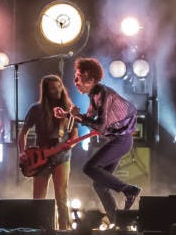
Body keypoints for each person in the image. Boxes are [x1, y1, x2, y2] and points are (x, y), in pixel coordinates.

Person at [55, 58, 141, 224]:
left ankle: (129, 190)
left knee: (90, 168)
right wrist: (67, 115)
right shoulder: (94, 95)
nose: (75, 81)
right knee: (99, 185)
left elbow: (99, 127)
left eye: (78, 77)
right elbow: (88, 118)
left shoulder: (103, 94)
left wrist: (77, 116)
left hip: (121, 141)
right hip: (118, 140)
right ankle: (118, 222)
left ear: (90, 80)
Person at [17, 75, 74, 230]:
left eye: (59, 86)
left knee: (61, 197)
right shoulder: (36, 109)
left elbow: (74, 134)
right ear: (46, 91)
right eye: (53, 88)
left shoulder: (69, 109)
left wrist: (69, 145)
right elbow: (23, 133)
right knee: (38, 199)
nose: (57, 90)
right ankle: (38, 232)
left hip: (61, 158)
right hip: (40, 158)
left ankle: (64, 233)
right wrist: (22, 152)